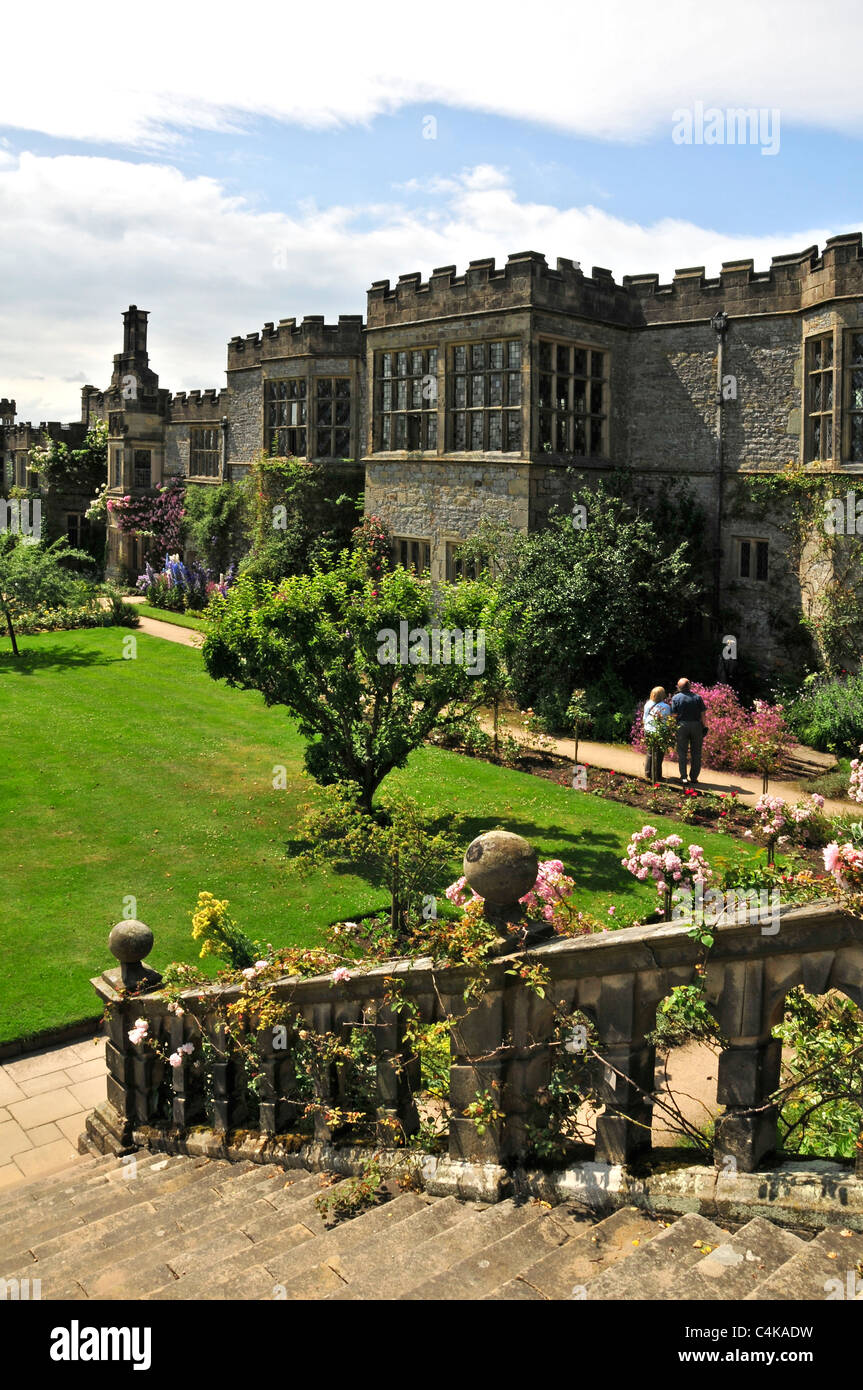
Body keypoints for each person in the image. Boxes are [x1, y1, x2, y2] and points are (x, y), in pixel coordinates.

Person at [670, 677, 707, 784]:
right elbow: (703, 714)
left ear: (679, 687)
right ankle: (694, 777)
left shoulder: (676, 698)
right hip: (696, 726)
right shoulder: (697, 697)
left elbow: (673, 714)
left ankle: (684, 777)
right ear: (689, 686)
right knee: (696, 753)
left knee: (682, 752)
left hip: (682, 725)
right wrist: (705, 727)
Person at [642, 685, 672, 782]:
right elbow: (668, 721)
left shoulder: (648, 704)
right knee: (659, 754)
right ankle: (656, 776)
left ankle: (648, 773)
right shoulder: (666, 707)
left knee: (650, 752)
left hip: (648, 730)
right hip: (659, 732)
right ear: (663, 695)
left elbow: (644, 719)